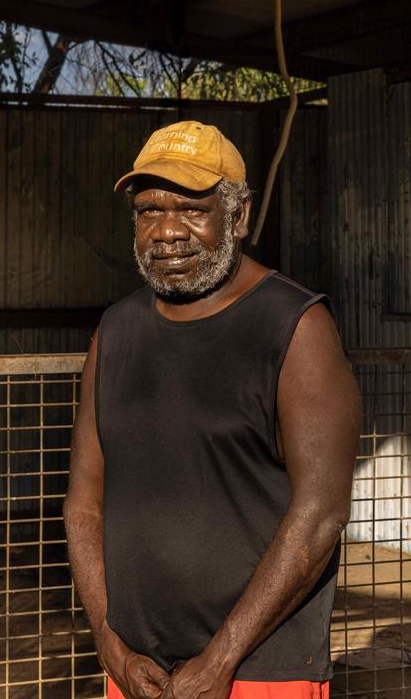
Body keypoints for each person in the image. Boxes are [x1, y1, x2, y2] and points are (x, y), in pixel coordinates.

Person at [64, 121, 359, 699]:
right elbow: (83, 505)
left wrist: (220, 659)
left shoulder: (295, 327)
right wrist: (110, 642)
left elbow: (321, 514)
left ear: (239, 217)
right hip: (136, 668)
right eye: (148, 211)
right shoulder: (116, 331)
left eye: (191, 209)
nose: (167, 231)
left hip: (259, 670)